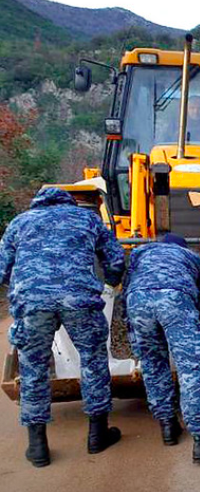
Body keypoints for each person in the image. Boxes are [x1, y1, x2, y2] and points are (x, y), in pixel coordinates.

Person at [0, 187, 125, 468]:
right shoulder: (87, 220)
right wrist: (110, 283)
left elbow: (2, 268)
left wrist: (23, 290)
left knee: (34, 369)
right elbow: (115, 259)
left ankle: (37, 446)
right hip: (79, 300)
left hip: (32, 304)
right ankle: (97, 434)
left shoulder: (19, 222)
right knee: (93, 362)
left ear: (37, 201)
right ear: (69, 201)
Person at [123, 233, 200, 464]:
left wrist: (131, 328)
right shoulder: (192, 257)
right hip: (175, 299)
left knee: (153, 364)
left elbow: (127, 288)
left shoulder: (140, 253)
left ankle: (168, 426)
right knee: (190, 368)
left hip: (137, 302)